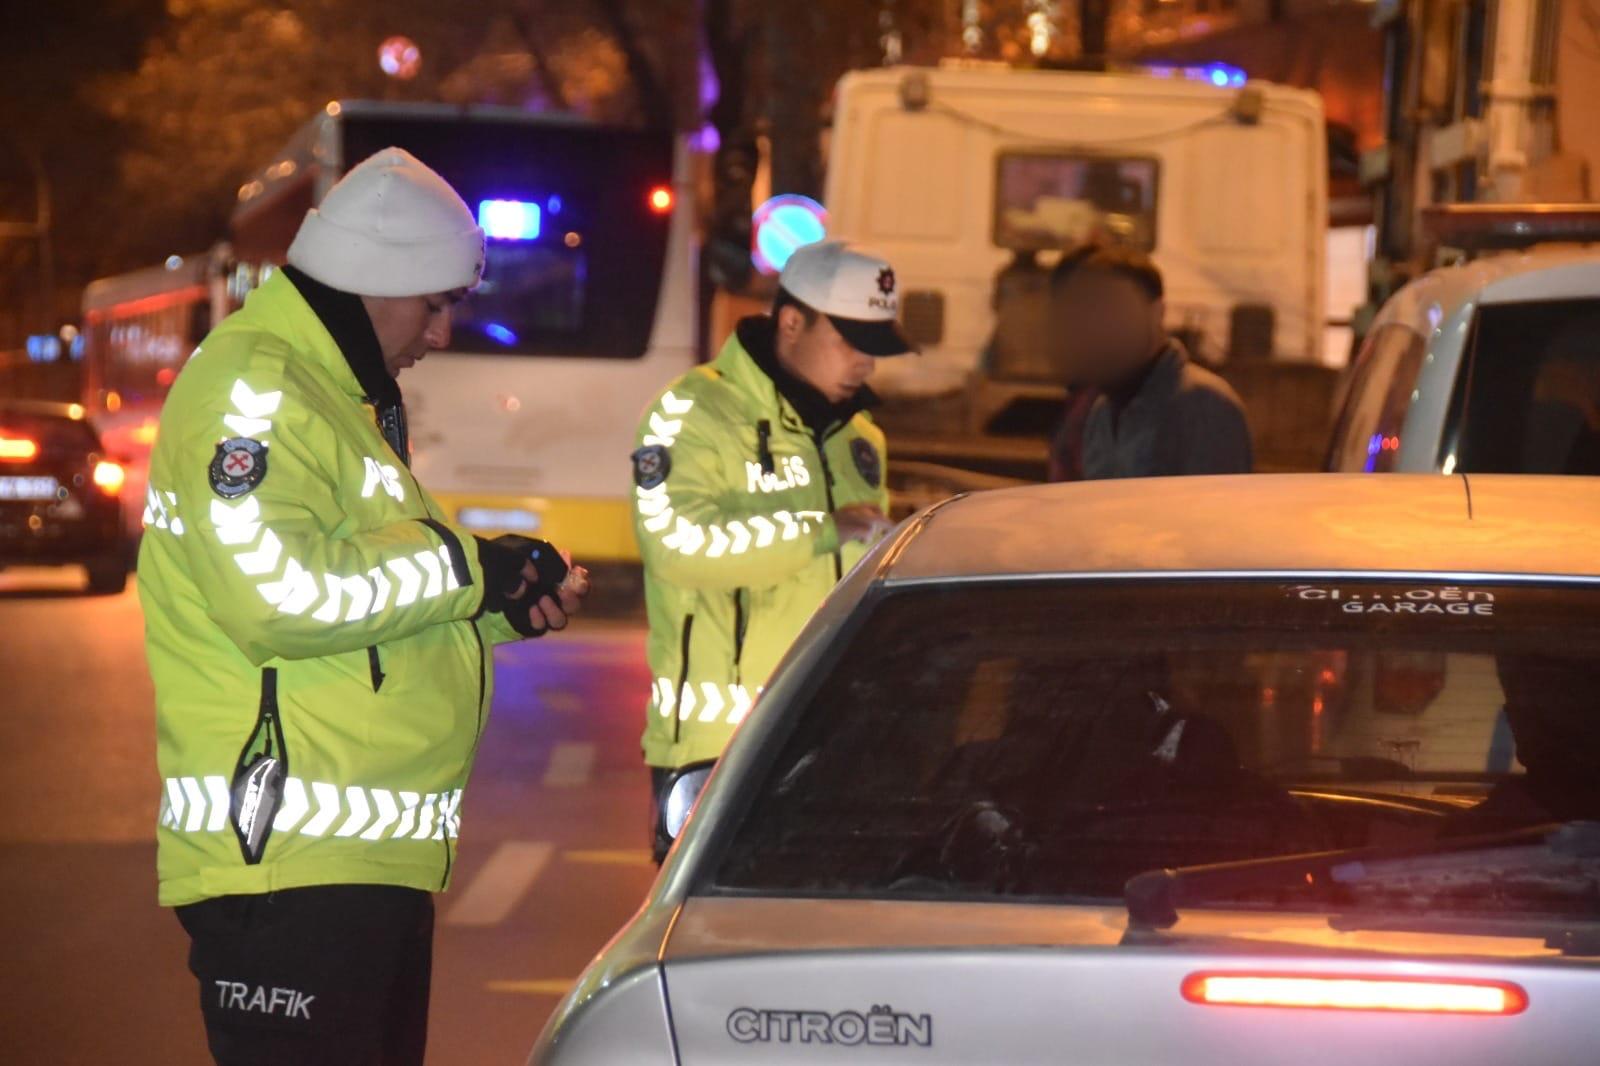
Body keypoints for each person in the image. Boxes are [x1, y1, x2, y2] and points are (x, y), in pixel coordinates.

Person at [137, 147, 590, 1065]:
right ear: (380, 281)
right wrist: (469, 570)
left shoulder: (332, 396)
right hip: (288, 870)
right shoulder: (255, 389)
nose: (445, 332)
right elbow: (278, 593)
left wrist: (497, 602)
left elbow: (363, 606)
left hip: (345, 867)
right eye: (438, 303)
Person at [632, 241, 913, 855]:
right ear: (792, 322)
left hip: (832, 738)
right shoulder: (693, 411)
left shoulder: (861, 436)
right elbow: (678, 545)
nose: (867, 363)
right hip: (719, 747)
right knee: (712, 946)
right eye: (852, 341)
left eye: (877, 346)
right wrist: (821, 531)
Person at [1050, 242, 1253, 479]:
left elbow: (1217, 511)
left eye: (1113, 310)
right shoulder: (1101, 411)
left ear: (1157, 312)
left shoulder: (1204, 405)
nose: (1097, 328)